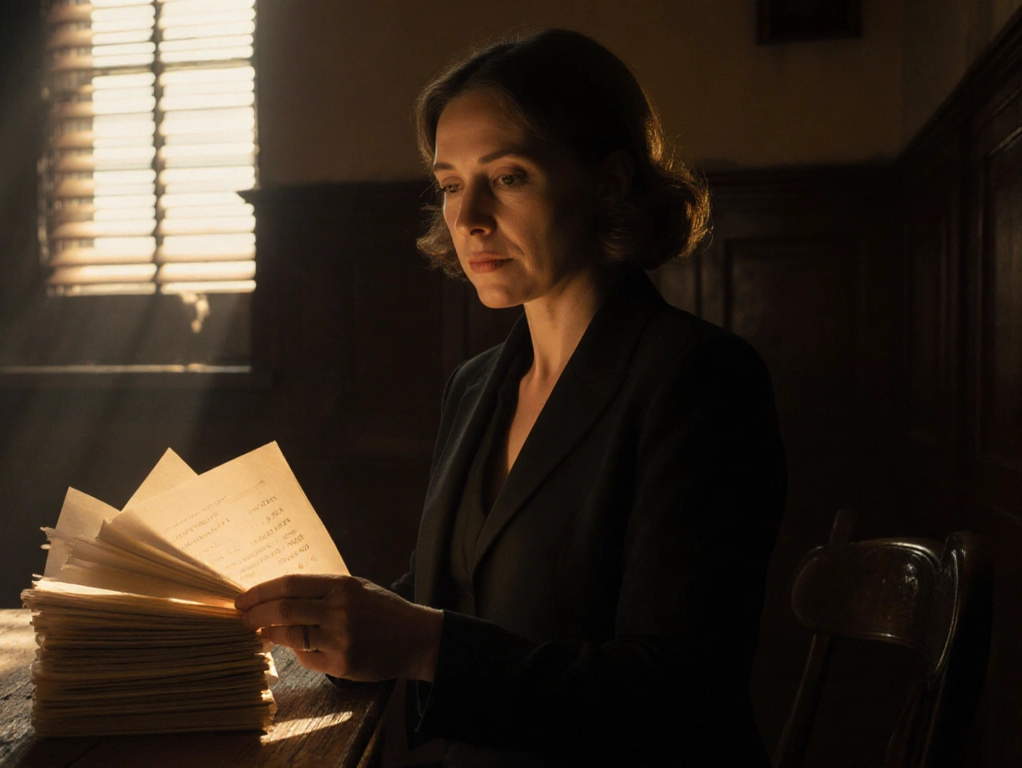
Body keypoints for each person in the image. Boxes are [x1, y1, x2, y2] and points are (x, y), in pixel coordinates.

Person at [236, 29, 786, 766]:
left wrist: (422, 641)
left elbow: (677, 692)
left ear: (611, 183)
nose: (469, 220)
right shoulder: (476, 386)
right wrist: (331, 620)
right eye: (452, 183)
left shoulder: (700, 379)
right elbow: (456, 593)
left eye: (511, 176)